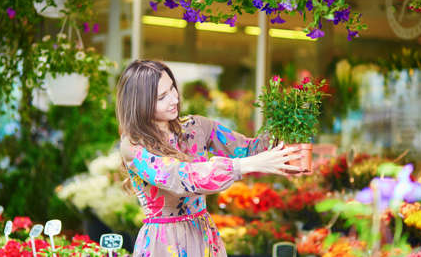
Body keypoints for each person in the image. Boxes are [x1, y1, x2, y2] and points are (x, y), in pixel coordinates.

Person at [116, 60, 302, 257]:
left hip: (203, 236)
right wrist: (243, 166)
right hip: (165, 243)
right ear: (141, 104)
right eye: (162, 97)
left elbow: (247, 149)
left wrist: (284, 126)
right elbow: (183, 177)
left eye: (172, 88)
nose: (174, 99)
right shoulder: (134, 145)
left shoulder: (197, 127)